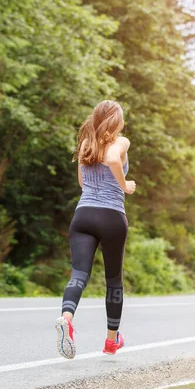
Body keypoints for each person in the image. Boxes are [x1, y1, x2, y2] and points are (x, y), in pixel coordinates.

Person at [55, 100, 136, 359]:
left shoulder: (86, 144)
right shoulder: (121, 143)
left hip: (83, 216)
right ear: (117, 121)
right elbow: (112, 158)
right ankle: (111, 341)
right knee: (113, 280)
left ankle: (66, 317)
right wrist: (124, 186)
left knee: (78, 274)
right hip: (112, 216)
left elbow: (82, 182)